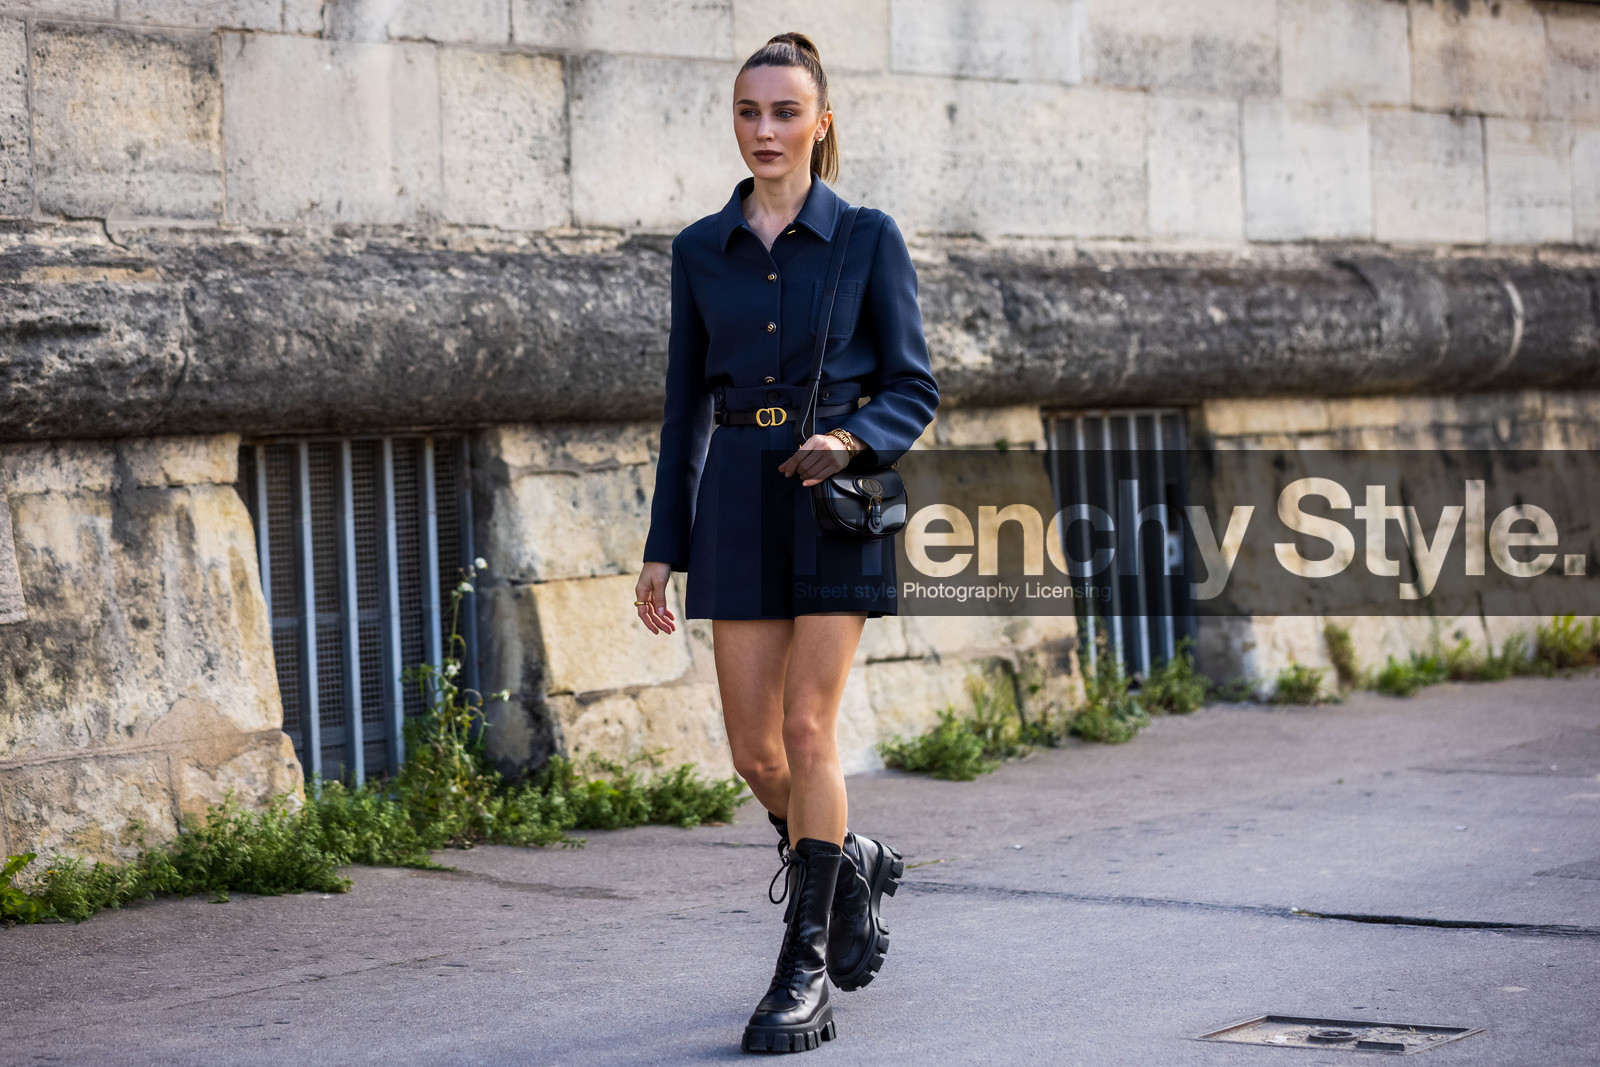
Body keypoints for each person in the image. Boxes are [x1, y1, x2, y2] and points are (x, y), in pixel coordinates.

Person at [632, 31, 939, 1055]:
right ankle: (846, 860)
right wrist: (660, 547)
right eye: (748, 112)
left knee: (810, 730)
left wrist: (850, 438)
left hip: (831, 496)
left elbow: (913, 385)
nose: (765, 131)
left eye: (784, 111)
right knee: (753, 751)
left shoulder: (865, 237)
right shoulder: (696, 251)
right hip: (732, 501)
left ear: (821, 120)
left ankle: (803, 964)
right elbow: (684, 413)